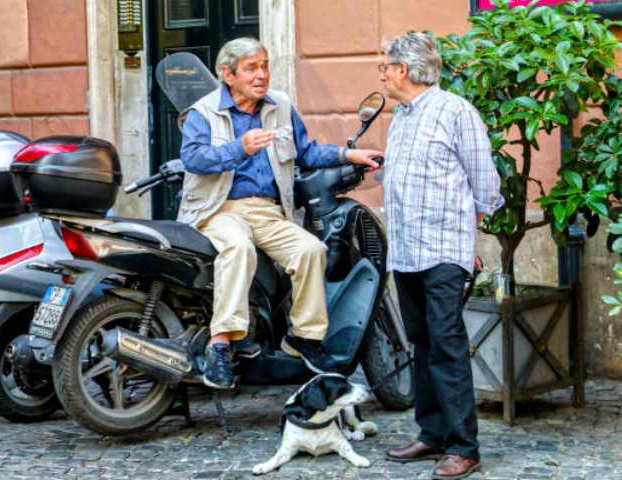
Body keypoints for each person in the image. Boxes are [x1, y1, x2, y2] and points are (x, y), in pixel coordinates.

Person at [179, 37, 382, 389]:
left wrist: (349, 156)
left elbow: (305, 151)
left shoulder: (280, 106)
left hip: (271, 212)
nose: (261, 75)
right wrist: (237, 149)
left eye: (265, 65)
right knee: (238, 247)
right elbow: (193, 159)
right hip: (220, 209)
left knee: (310, 251)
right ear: (228, 74)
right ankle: (221, 343)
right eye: (251, 68)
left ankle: (301, 338)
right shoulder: (203, 112)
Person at [378, 32, 503, 479]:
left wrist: (473, 238)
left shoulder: (455, 111)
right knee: (423, 341)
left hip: (444, 250)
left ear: (405, 70)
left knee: (447, 345)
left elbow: (484, 180)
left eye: (385, 67)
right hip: (407, 250)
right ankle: (431, 434)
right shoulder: (402, 116)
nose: (383, 74)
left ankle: (463, 447)